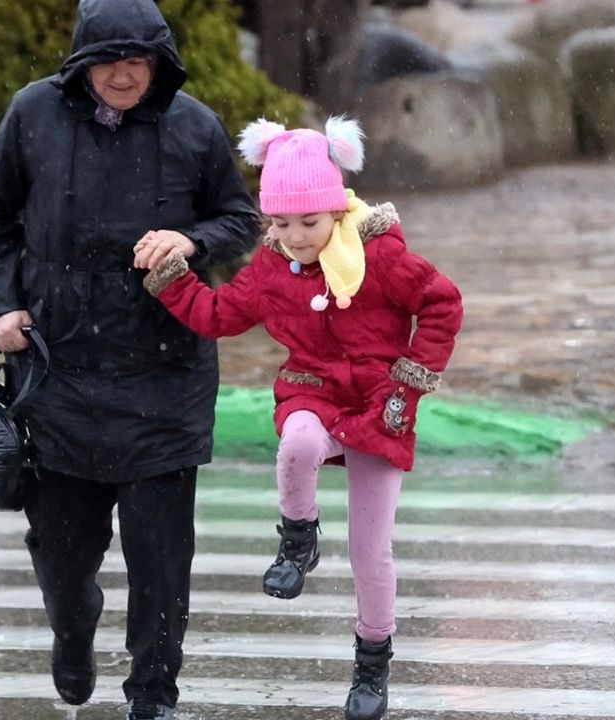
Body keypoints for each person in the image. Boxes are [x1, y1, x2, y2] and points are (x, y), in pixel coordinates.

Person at [0, 0, 259, 717]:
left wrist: (191, 242)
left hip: (166, 370)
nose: (122, 74)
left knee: (161, 561)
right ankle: (73, 626)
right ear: (80, 64)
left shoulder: (194, 125)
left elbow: (240, 218)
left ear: (160, 63)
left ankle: (152, 693)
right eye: (107, 60)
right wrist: (0, 305)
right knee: (62, 555)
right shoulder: (32, 113)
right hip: (58, 369)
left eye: (137, 60)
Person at [138, 117, 463, 720]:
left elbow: (443, 303)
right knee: (296, 444)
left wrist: (409, 381)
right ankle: (297, 539)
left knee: (372, 554)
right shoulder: (270, 268)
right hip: (311, 391)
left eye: (308, 223)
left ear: (336, 211)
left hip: (378, 405)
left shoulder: (381, 258)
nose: (295, 237)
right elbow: (216, 316)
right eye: (280, 224)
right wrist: (169, 278)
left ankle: (371, 665)